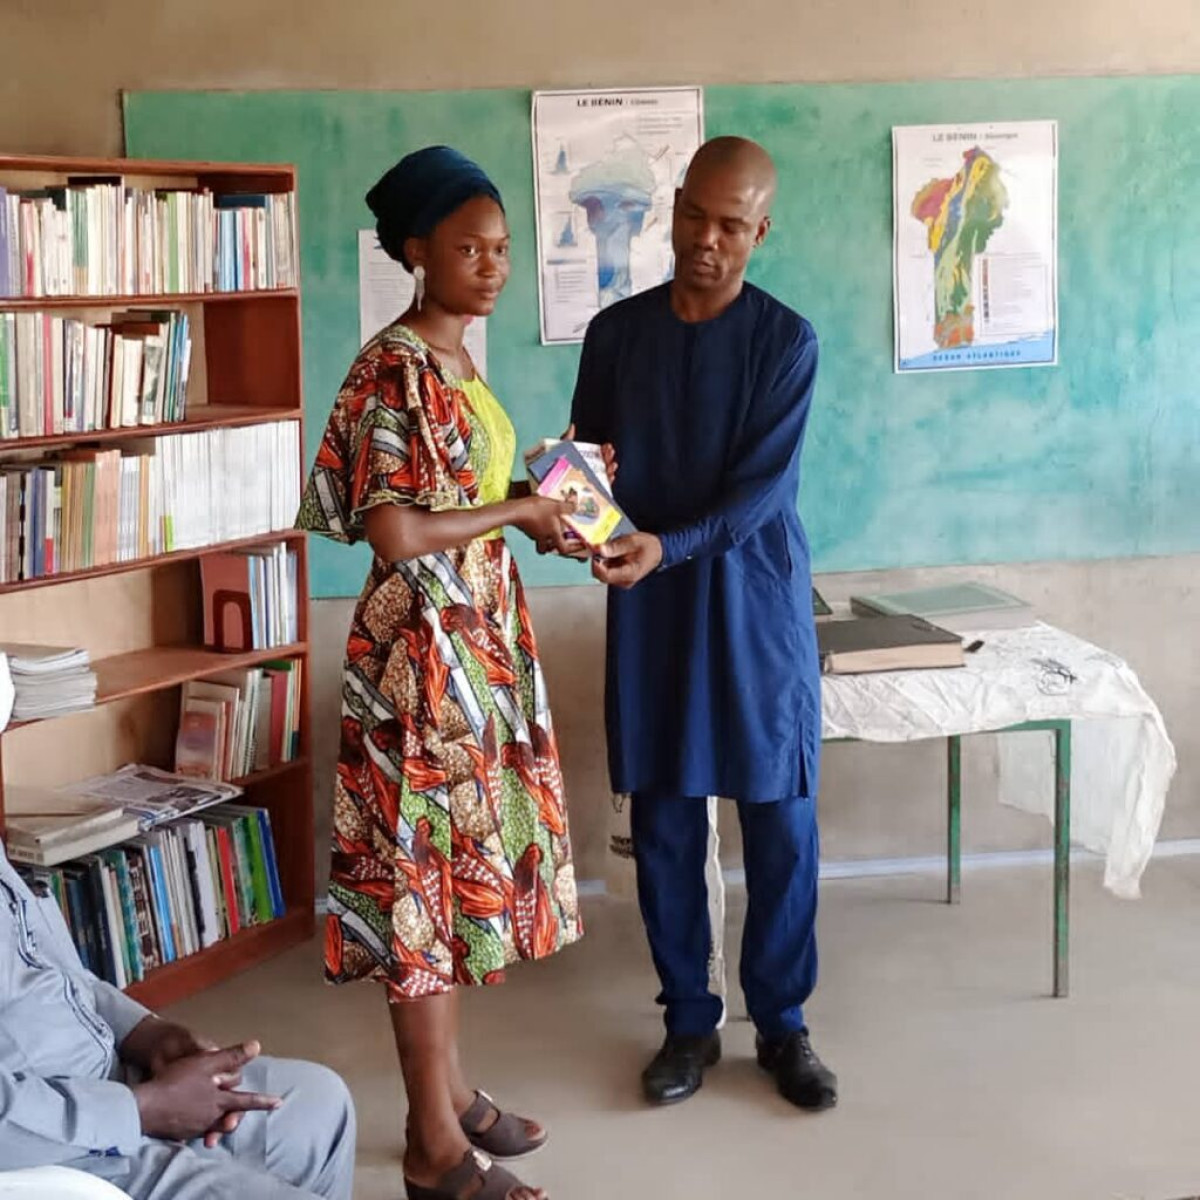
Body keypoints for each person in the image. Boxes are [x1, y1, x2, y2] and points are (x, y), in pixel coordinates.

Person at [296, 146, 583, 1200]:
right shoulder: (396, 366)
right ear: (418, 252)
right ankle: (432, 1148)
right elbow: (396, 527)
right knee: (418, 892)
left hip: (475, 650)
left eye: (504, 249)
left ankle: (451, 1095)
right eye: (470, 248)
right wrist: (513, 511)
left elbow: (459, 490)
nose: (494, 266)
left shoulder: (459, 361)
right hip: (417, 666)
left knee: (453, 889)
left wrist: (543, 503)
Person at [569, 136, 837, 1113]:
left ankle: (783, 1025)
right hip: (654, 609)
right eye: (696, 216)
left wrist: (661, 544)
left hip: (753, 604)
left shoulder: (785, 342)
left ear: (761, 232)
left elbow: (761, 493)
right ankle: (689, 1021)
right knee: (671, 826)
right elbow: (590, 460)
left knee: (780, 827)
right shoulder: (617, 334)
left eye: (733, 225)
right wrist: (578, 520)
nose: (708, 240)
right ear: (673, 208)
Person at [0, 838, 356, 1198]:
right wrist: (144, 1108)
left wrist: (144, 1032)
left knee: (318, 1104)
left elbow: (51, 972)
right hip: (53, 1151)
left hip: (109, 1078)